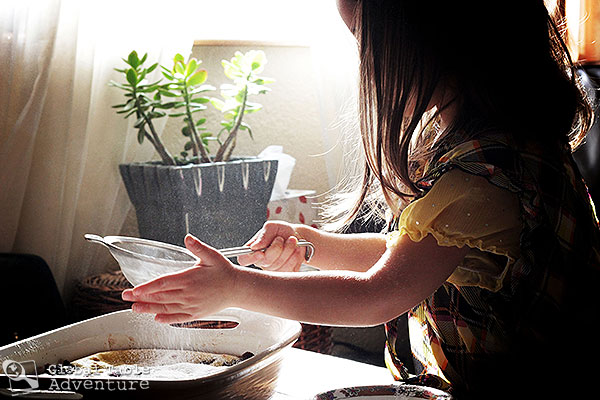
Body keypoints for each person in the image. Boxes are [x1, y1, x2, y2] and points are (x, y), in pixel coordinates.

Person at [122, 1, 600, 398]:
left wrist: (236, 287)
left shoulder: (482, 179)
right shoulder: (498, 146)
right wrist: (311, 244)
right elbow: (411, 256)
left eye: (362, 41)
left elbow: (376, 296)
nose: (364, 62)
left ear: (429, 40)